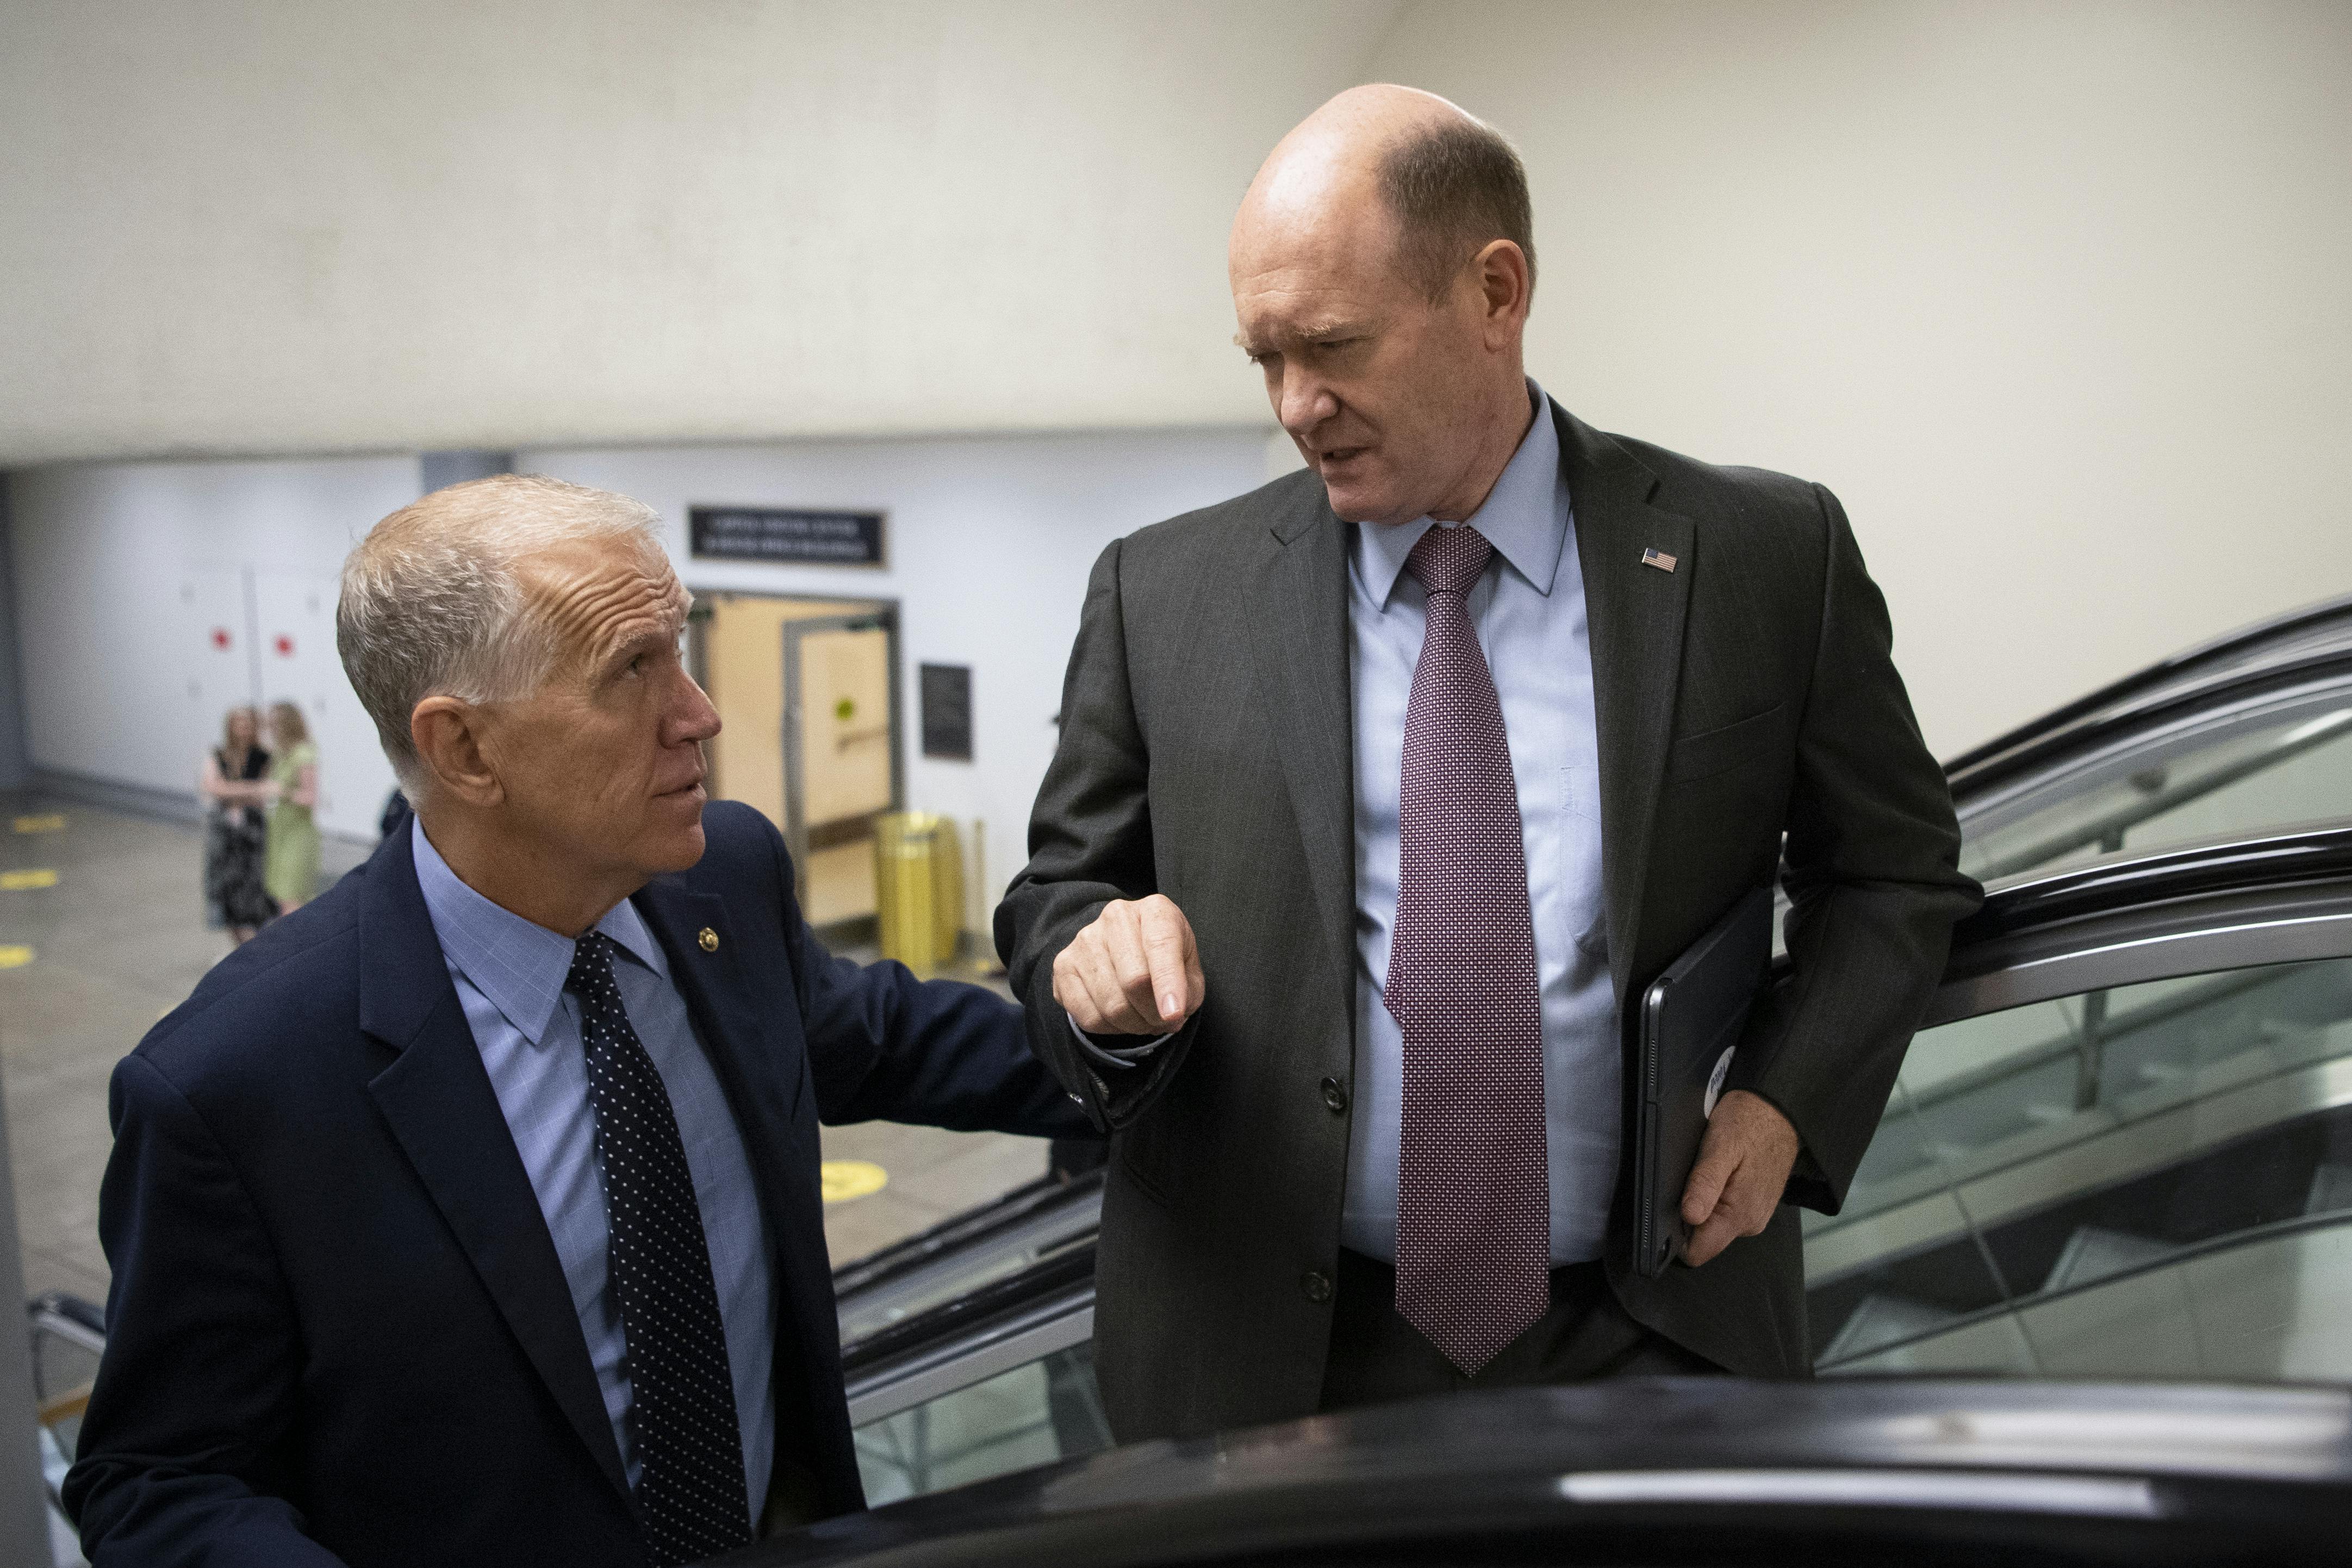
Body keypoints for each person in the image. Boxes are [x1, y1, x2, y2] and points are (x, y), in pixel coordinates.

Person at [997, 86, 1982, 1443]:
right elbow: (1059, 895)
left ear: (1496, 291)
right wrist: (1090, 964)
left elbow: (1894, 874)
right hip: (1268, 1366)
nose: (1297, 405)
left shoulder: (1765, 556)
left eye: (1333, 345)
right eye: (1263, 359)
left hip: (1659, 1335)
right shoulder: (1164, 593)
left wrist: (1785, 1101)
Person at [69, 474, 1088, 1567]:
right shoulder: (240, 1080)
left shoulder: (721, 883)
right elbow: (161, 1478)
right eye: (632, 670)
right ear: (463, 747)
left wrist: (1157, 1042)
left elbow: (881, 1035)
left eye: (679, 650)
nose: (699, 712)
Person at [197, 705, 276, 944]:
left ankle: (254, 949)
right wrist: (248, 790)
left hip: (253, 834)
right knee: (225, 889)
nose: (242, 729)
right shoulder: (218, 754)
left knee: (254, 890)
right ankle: (238, 949)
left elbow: (267, 792)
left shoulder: (263, 756)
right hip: (224, 834)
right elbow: (212, 787)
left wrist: (230, 791)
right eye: (238, 723)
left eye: (247, 723)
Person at [263, 699, 322, 912]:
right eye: (269, 724)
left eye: (277, 724)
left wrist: (283, 792)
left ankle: (298, 943)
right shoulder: (281, 753)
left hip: (298, 834)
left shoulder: (304, 753)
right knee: (281, 894)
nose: (272, 730)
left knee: (291, 896)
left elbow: (310, 797)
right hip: (280, 830)